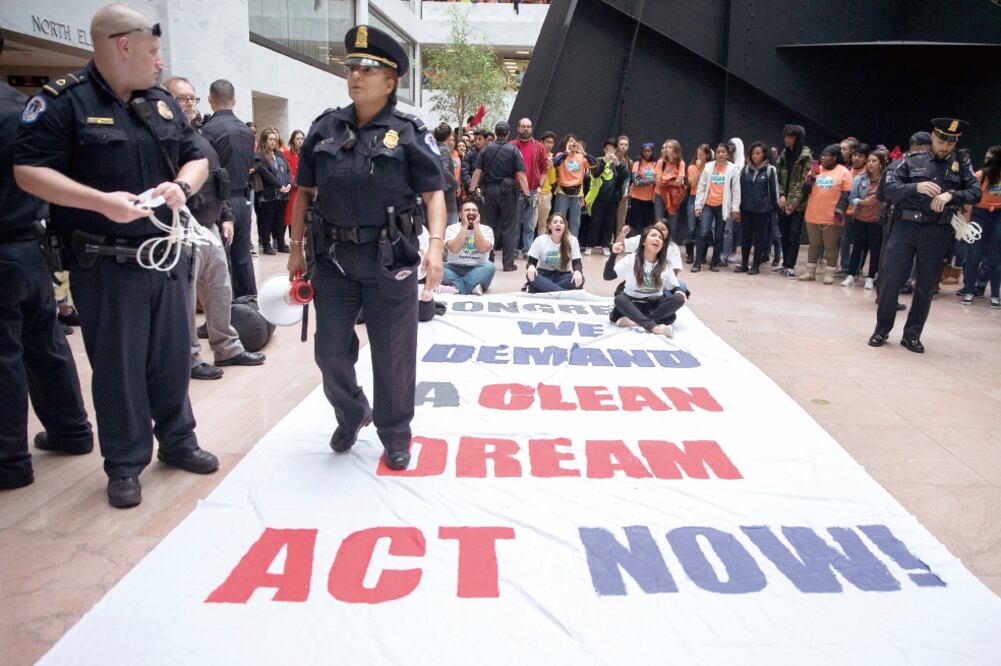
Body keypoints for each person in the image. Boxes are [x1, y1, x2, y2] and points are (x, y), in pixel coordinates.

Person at [14, 3, 218, 507]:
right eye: (152, 51)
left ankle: (178, 441)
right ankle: (125, 464)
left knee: (173, 358)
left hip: (165, 256)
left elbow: (198, 157)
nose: (159, 61)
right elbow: (28, 171)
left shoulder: (160, 103)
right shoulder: (64, 103)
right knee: (119, 368)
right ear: (122, 45)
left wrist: (181, 187)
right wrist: (100, 202)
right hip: (105, 261)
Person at [286, 25, 446, 470]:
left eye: (368, 69)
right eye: (352, 68)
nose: (356, 76)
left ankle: (395, 433)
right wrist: (296, 246)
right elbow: (302, 192)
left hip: (388, 259)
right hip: (333, 261)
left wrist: (435, 246)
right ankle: (353, 410)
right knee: (329, 351)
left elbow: (435, 194)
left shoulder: (409, 132)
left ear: (390, 81)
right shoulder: (325, 128)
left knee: (393, 353)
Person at [0, 27, 93, 491]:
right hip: (34, 244)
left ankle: (8, 459)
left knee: (6, 354)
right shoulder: (24, 109)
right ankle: (71, 428)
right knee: (46, 342)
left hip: (6, 246)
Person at [163, 76, 266, 380]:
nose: (189, 104)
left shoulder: (200, 135)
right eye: (182, 99)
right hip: (182, 224)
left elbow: (217, 176)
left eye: (192, 98)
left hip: (209, 222)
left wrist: (225, 215)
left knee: (220, 287)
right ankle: (191, 356)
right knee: (186, 293)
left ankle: (227, 347)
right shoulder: (164, 138)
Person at [869, 118, 982, 353]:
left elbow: (975, 192)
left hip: (936, 231)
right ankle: (882, 328)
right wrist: (915, 187)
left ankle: (912, 335)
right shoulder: (910, 162)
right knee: (891, 279)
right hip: (905, 227)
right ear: (933, 136)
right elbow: (887, 190)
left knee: (926, 285)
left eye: (952, 142)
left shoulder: (960, 166)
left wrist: (951, 194)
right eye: (942, 139)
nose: (946, 145)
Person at [202, 80, 257, 297]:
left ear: (209, 100)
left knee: (222, 259)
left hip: (220, 202)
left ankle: (228, 314)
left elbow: (207, 167)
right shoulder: (246, 130)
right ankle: (251, 307)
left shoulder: (208, 130)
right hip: (243, 199)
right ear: (234, 100)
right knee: (242, 256)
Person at [468, 121, 530, 271]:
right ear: (508, 133)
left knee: (488, 226)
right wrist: (527, 194)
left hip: (490, 191)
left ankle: (487, 260)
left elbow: (477, 172)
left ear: (495, 133)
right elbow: (521, 175)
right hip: (508, 193)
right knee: (509, 227)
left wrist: (471, 190)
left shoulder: (486, 149)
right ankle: (508, 264)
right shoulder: (513, 150)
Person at [605, 226, 686, 338]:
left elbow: (674, 286)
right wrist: (613, 255)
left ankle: (636, 321)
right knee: (620, 299)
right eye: (653, 235)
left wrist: (679, 292)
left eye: (660, 238)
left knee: (678, 300)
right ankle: (655, 327)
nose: (657, 239)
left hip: (654, 306)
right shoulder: (631, 259)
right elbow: (608, 276)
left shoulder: (665, 264)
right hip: (633, 303)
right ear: (643, 241)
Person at [798, 145, 853, 284]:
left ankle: (829, 273)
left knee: (830, 246)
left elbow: (846, 195)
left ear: (834, 157)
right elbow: (804, 190)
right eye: (822, 155)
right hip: (813, 214)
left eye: (826, 155)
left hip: (831, 216)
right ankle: (810, 272)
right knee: (814, 244)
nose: (822, 157)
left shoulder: (844, 172)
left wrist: (839, 212)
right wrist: (811, 178)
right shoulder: (815, 171)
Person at [961, 146, 1001, 307]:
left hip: (998, 215)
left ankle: (995, 295)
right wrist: (966, 223)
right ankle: (969, 291)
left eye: (989, 158)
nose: (986, 161)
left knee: (995, 258)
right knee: (973, 255)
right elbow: (969, 200)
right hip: (979, 215)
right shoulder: (979, 175)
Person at [693, 143, 741, 272]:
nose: (721, 154)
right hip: (708, 205)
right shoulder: (708, 167)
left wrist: (735, 208)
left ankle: (714, 262)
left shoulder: (733, 169)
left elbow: (736, 190)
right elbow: (701, 187)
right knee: (703, 233)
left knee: (719, 235)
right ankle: (697, 262)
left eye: (723, 152)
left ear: (727, 154)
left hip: (722, 207)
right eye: (718, 152)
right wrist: (698, 205)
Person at [843, 150, 887, 289]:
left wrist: (878, 201)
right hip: (860, 218)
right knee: (857, 248)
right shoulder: (860, 178)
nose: (870, 164)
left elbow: (890, 199)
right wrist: (862, 202)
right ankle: (851, 275)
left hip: (877, 220)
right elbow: (851, 197)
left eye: (874, 161)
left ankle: (870, 277)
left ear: (881, 164)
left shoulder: (886, 180)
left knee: (875, 250)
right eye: (868, 161)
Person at [776, 124, 813, 278]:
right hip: (784, 202)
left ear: (797, 138)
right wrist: (782, 195)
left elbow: (806, 183)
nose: (786, 139)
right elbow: (778, 177)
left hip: (798, 204)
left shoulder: (806, 156)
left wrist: (794, 203)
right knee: (783, 233)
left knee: (794, 233)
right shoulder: (783, 155)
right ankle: (785, 263)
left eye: (790, 136)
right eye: (785, 136)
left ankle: (790, 265)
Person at [737, 142, 780, 274]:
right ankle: (744, 264)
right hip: (746, 209)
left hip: (762, 210)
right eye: (753, 154)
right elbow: (739, 190)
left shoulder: (770, 170)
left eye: (758, 153)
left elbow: (774, 191)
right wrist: (738, 207)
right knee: (745, 237)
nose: (755, 156)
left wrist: (774, 208)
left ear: (764, 154)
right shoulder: (745, 170)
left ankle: (756, 265)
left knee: (759, 238)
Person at [441, 201, 495, 295]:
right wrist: (465, 225)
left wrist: (476, 226)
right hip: (453, 268)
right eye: (467, 210)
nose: (471, 212)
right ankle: (472, 287)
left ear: (478, 214)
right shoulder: (451, 228)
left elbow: (483, 249)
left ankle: (456, 288)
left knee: (490, 267)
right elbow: (454, 248)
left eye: (474, 210)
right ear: (460, 215)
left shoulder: (487, 230)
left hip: (478, 268)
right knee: (436, 269)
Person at [586, 139, 630, 256]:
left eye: (612, 149)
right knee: (595, 222)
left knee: (609, 223)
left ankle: (606, 245)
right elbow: (595, 174)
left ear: (616, 150)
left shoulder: (619, 163)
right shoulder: (598, 160)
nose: (610, 151)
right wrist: (604, 161)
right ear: (604, 150)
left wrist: (618, 164)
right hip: (598, 198)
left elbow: (625, 176)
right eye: (607, 149)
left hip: (613, 199)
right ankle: (590, 245)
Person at [513, 118, 549, 255]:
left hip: (533, 191)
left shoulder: (539, 146)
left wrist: (540, 186)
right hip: (515, 191)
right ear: (518, 128)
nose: (526, 129)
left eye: (528, 126)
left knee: (529, 225)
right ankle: (514, 250)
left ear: (532, 128)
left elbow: (545, 168)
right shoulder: (512, 145)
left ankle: (528, 250)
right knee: (515, 224)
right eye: (523, 126)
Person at [551, 134, 598, 240]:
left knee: (575, 221)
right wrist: (566, 152)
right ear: (566, 143)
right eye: (570, 141)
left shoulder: (581, 156)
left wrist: (584, 153)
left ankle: (573, 244)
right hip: (563, 190)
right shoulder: (561, 155)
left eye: (574, 141)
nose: (572, 143)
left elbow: (594, 164)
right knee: (558, 218)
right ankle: (556, 241)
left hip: (577, 192)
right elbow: (554, 163)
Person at [254, 127, 292, 254]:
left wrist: (288, 184)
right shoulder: (259, 154)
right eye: (270, 139)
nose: (273, 142)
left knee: (280, 221)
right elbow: (265, 172)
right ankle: (266, 245)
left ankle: (281, 244)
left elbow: (287, 169)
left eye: (275, 139)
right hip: (268, 193)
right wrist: (278, 185)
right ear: (264, 140)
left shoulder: (279, 154)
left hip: (283, 193)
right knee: (267, 221)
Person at [525, 212, 584, 292]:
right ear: (549, 226)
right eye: (555, 222)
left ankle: (545, 289)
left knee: (581, 278)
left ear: (565, 227)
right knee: (530, 276)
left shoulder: (572, 240)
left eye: (561, 223)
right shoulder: (540, 240)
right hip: (544, 275)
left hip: (564, 275)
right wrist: (531, 267)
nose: (558, 224)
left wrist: (577, 271)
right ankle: (561, 292)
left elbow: (577, 263)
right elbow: (531, 262)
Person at [837, 143, 871, 277]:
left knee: (859, 243)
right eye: (855, 155)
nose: (856, 158)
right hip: (847, 212)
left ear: (866, 158)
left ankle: (856, 268)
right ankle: (845, 267)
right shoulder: (848, 171)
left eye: (860, 156)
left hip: (861, 212)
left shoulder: (867, 173)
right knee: (844, 240)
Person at [683, 143, 712, 263]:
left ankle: (702, 255)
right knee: (691, 228)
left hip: (707, 199)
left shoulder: (711, 167)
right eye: (698, 154)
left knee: (705, 229)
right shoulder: (691, 167)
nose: (699, 157)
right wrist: (699, 170)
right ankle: (690, 255)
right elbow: (692, 184)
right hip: (693, 198)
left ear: (707, 155)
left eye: (702, 155)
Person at [653, 139, 686, 239]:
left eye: (669, 147)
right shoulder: (660, 162)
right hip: (660, 194)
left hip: (674, 197)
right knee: (659, 222)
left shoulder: (681, 163)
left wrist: (665, 180)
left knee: (672, 224)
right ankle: (659, 246)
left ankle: (671, 247)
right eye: (666, 147)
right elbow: (658, 182)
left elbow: (679, 182)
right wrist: (672, 181)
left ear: (675, 149)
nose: (666, 149)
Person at [433, 123, 460, 227]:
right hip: (447, 195)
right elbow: (444, 170)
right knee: (452, 228)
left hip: (439, 192)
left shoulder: (434, 148)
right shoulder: (444, 150)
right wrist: (455, 183)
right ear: (449, 136)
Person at [536, 130, 557, 239]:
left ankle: (541, 246)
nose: (549, 145)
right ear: (541, 142)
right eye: (547, 142)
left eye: (552, 142)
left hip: (546, 193)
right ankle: (528, 248)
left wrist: (551, 167)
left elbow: (553, 181)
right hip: (534, 192)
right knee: (531, 223)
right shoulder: (535, 154)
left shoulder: (552, 157)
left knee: (543, 223)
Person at [282, 129, 304, 229]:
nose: (300, 141)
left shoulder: (305, 154)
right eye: (297, 138)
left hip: (302, 189)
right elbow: (286, 170)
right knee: (289, 216)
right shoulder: (286, 154)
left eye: (302, 138)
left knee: (302, 215)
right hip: (290, 189)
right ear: (293, 140)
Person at [615, 135, 632, 235]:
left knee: (621, 218)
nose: (623, 146)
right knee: (610, 217)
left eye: (626, 145)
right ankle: (609, 240)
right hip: (612, 192)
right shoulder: (612, 159)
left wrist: (626, 191)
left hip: (624, 194)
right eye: (621, 144)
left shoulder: (629, 161)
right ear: (617, 145)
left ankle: (619, 239)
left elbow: (629, 178)